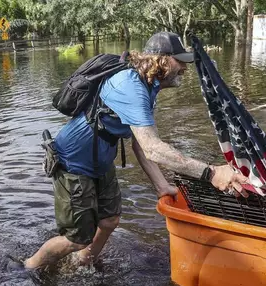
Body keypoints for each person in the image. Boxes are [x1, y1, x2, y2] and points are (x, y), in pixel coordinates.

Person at [24, 32, 248, 269]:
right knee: (77, 239)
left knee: (110, 220)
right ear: (161, 61)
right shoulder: (130, 87)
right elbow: (153, 148)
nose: (185, 66)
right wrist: (212, 173)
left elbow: (141, 144)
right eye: (180, 61)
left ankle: (84, 263)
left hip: (100, 162)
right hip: (72, 164)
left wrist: (161, 185)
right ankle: (29, 266)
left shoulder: (149, 86)